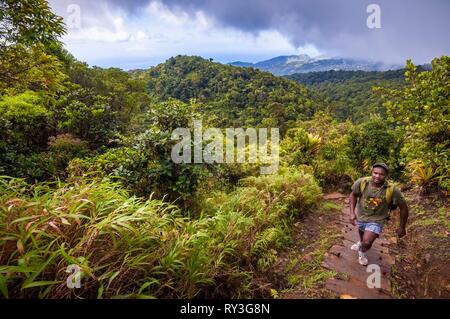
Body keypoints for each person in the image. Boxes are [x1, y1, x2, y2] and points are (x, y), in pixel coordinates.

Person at [349, 163, 409, 266]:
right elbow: (353, 195)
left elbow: (404, 208)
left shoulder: (392, 189)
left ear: (386, 176)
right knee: (362, 234)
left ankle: (362, 252)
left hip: (378, 220)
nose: (377, 176)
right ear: (372, 172)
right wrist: (351, 213)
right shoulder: (362, 182)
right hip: (361, 216)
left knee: (367, 242)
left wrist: (402, 227)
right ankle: (361, 243)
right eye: (375, 173)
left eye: (381, 174)